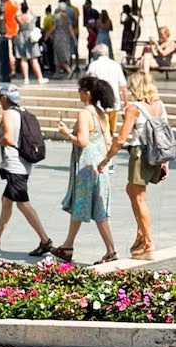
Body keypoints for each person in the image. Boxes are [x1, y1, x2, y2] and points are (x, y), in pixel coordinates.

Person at [96, 70, 169, 258]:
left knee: (139, 198)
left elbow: (121, 138)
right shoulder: (159, 105)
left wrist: (106, 159)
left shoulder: (134, 108)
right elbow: (164, 134)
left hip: (139, 154)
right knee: (132, 190)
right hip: (155, 153)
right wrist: (165, 162)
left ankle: (148, 242)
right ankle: (141, 235)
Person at [0, 84, 53, 256]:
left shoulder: (8, 113)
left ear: (4, 98)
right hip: (24, 163)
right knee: (6, 201)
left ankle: (45, 240)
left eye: (0, 98)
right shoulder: (23, 111)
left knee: (22, 203)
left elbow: (9, 139)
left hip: (15, 165)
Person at [52, 76, 119, 264]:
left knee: (95, 209)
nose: (78, 93)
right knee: (83, 204)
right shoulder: (101, 113)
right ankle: (68, 246)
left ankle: (111, 250)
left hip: (87, 168)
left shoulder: (85, 113)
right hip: (100, 165)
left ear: (87, 93)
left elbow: (82, 141)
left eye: (80, 90)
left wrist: (66, 133)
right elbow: (108, 141)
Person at [14, 0, 44, 84]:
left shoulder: (19, 18)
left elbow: (15, 16)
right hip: (31, 38)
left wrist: (19, 10)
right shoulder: (31, 17)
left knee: (23, 59)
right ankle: (40, 78)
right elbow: (35, 16)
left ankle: (26, 78)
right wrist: (29, 9)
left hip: (21, 37)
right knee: (34, 59)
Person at [51, 0, 76, 78]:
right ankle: (57, 73)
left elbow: (54, 27)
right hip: (66, 37)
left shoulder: (56, 16)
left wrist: (48, 35)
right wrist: (74, 38)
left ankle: (69, 70)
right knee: (59, 55)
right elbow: (70, 28)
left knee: (59, 55)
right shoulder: (67, 17)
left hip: (58, 37)